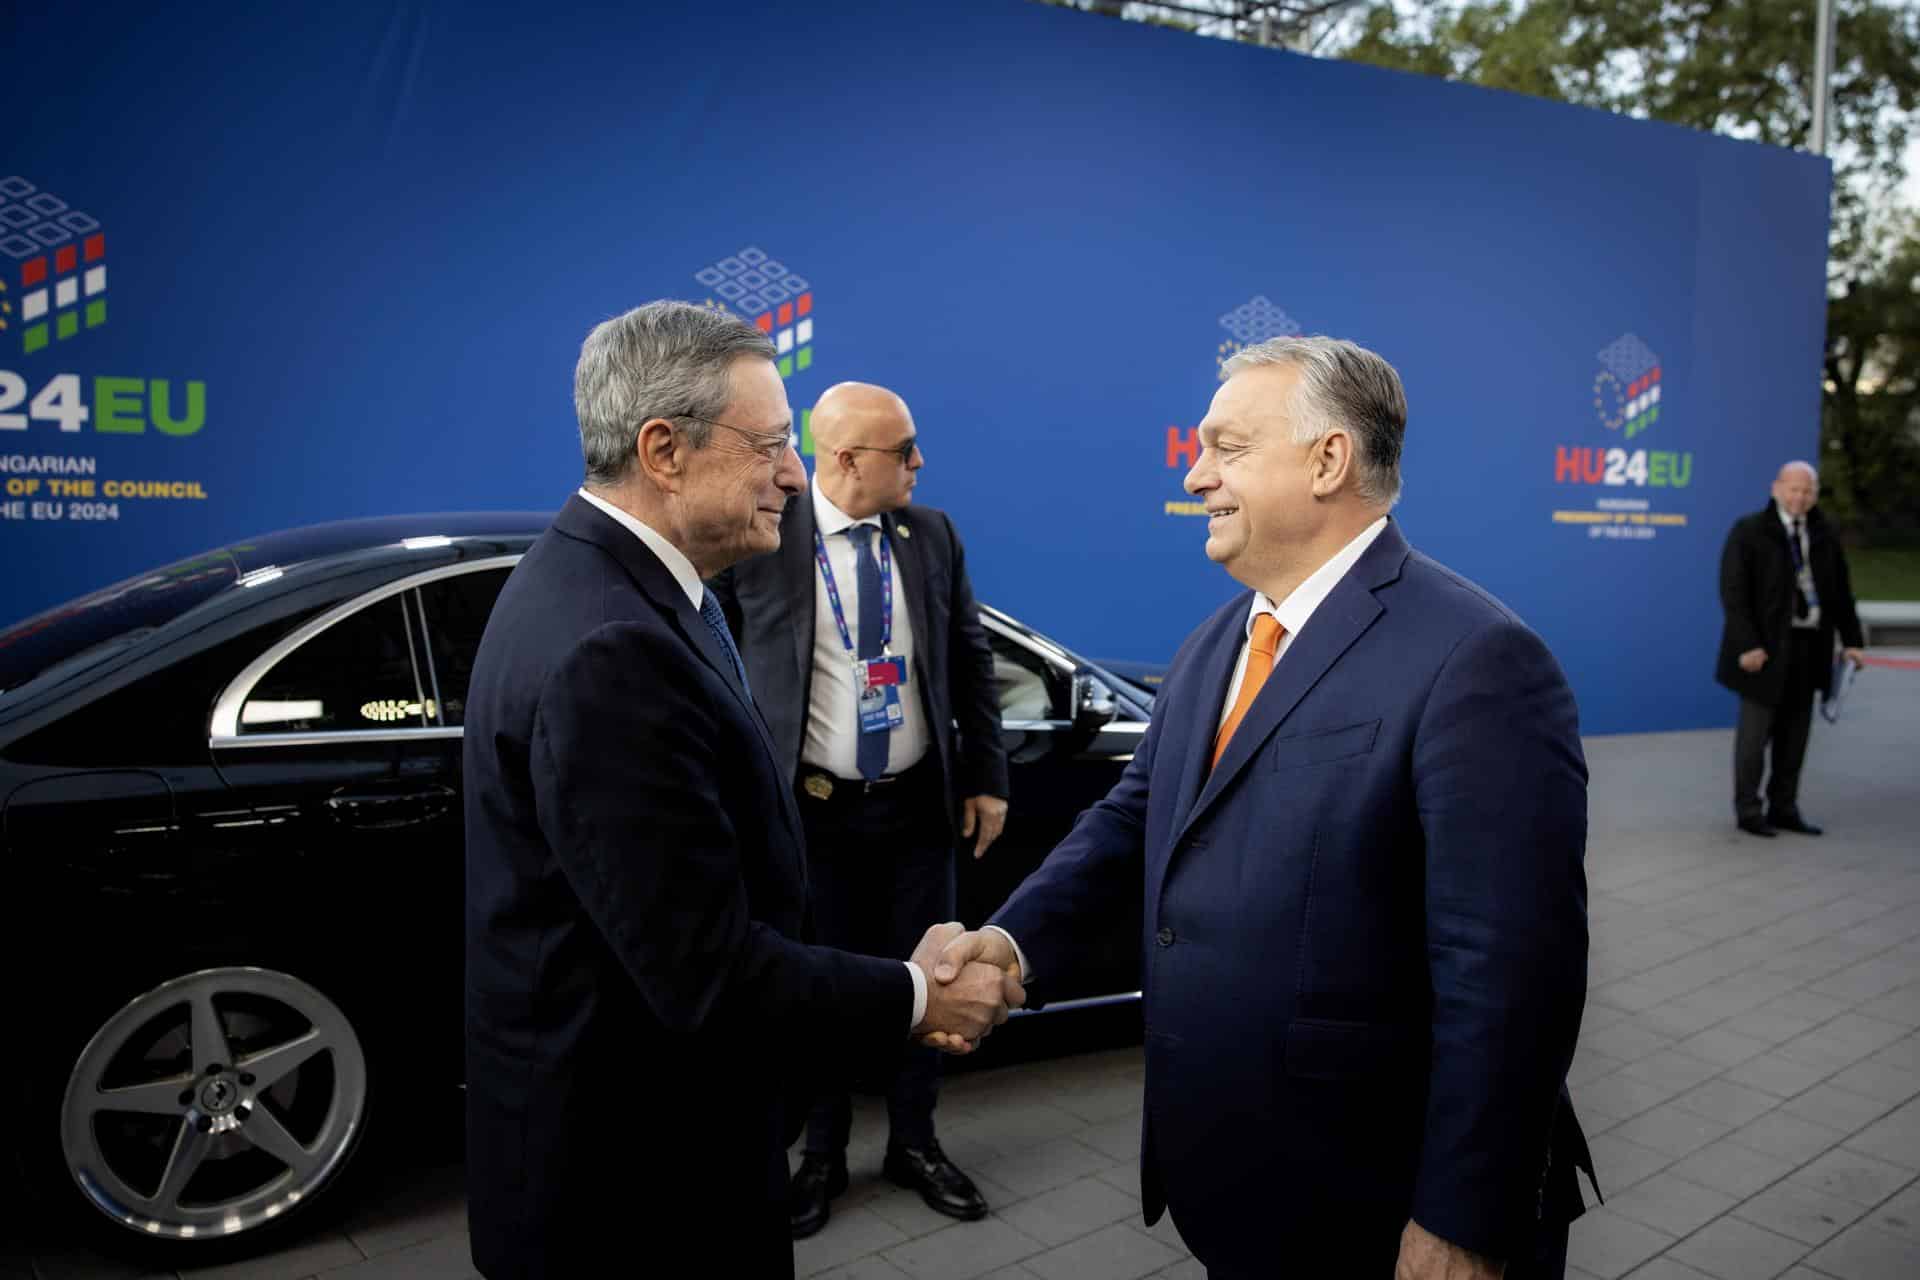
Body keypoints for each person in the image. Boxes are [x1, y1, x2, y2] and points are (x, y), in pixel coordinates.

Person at [933, 336, 1594, 1278]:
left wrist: (1463, 1218)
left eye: (1227, 447)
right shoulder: (1219, 641)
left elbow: (1510, 973)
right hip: (1239, 1183)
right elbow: (1132, 821)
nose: (1197, 474)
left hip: (1387, 1202)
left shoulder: (1478, 660)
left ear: (1329, 460)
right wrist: (1009, 942)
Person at [462, 302, 1019, 1279]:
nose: (795, 473)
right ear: (663, 448)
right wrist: (920, 988)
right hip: (639, 1196)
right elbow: (708, 974)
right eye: (769, 445)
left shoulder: (608, 588)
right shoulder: (613, 646)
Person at [709, 381, 1010, 1238]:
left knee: (935, 976)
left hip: (918, 809)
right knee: (818, 989)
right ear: (844, 460)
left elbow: (970, 656)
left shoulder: (930, 535)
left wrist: (986, 776)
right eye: (903, 450)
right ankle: (822, 1156)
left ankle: (914, 1142)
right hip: (813, 819)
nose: (919, 463)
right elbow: (719, 674)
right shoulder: (765, 537)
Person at [1715, 460, 1866, 837]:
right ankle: (1749, 810)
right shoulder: (1750, 532)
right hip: (1764, 653)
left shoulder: (1824, 535)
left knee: (1795, 737)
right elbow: (1734, 594)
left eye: (1807, 491)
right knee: (1754, 738)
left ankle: (1784, 806)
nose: (1800, 497)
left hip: (1809, 649)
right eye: (1793, 489)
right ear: (1776, 488)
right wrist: (1748, 644)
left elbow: (1841, 594)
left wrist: (1852, 642)